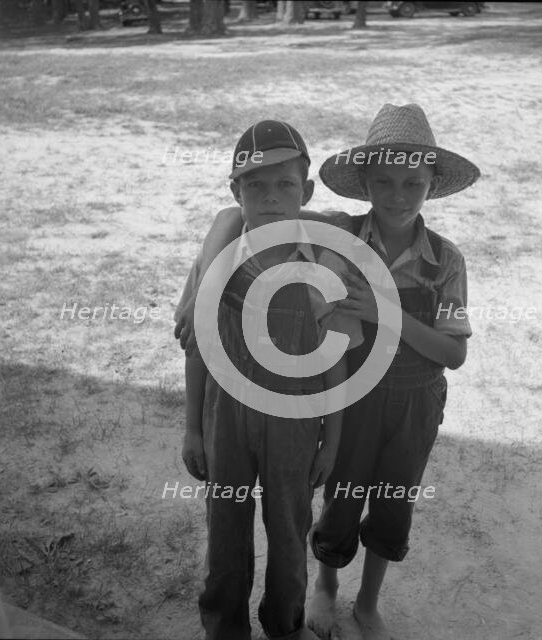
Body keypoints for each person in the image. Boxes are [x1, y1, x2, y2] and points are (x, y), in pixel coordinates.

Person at [175, 103, 480, 640]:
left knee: (377, 506)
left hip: (381, 406)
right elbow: (232, 218)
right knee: (292, 518)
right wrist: (202, 280)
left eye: (413, 182)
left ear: (433, 184)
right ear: (363, 183)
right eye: (383, 181)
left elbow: (449, 353)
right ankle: (287, 603)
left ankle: (343, 607)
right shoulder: (337, 235)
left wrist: (385, 313)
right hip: (294, 406)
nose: (398, 195)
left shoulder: (425, 259)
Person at [178, 119, 362, 640]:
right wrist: (194, 428)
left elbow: (337, 359)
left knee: (288, 532)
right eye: (255, 185)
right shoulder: (217, 263)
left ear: (305, 191)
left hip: (298, 423)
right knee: (225, 533)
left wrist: (332, 439)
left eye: (285, 185)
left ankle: (285, 624)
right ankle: (224, 625)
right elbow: (196, 347)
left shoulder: (326, 262)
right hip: (225, 419)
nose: (271, 197)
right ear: (236, 192)